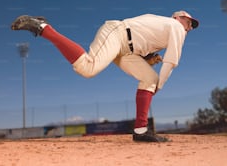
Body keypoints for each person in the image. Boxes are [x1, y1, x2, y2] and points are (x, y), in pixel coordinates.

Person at [11, 10, 199, 142]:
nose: (189, 27)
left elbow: (139, 41)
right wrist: (161, 85)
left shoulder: (163, 28)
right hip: (117, 35)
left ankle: (141, 131)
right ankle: (43, 27)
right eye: (189, 22)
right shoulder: (175, 26)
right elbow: (171, 62)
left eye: (191, 25)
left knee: (149, 78)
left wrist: (147, 60)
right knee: (88, 67)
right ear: (178, 17)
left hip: (127, 48)